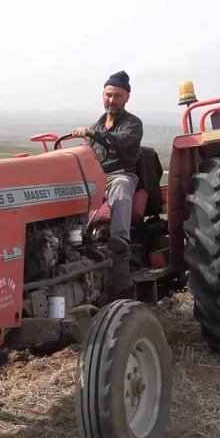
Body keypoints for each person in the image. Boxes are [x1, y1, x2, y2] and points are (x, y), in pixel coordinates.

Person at [72, 71, 143, 291]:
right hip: (96, 177)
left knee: (120, 185)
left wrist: (93, 134)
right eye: (108, 95)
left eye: (117, 96)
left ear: (127, 98)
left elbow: (120, 141)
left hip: (121, 174)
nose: (111, 100)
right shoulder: (98, 124)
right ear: (103, 95)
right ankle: (75, 242)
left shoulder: (133, 123)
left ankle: (120, 246)